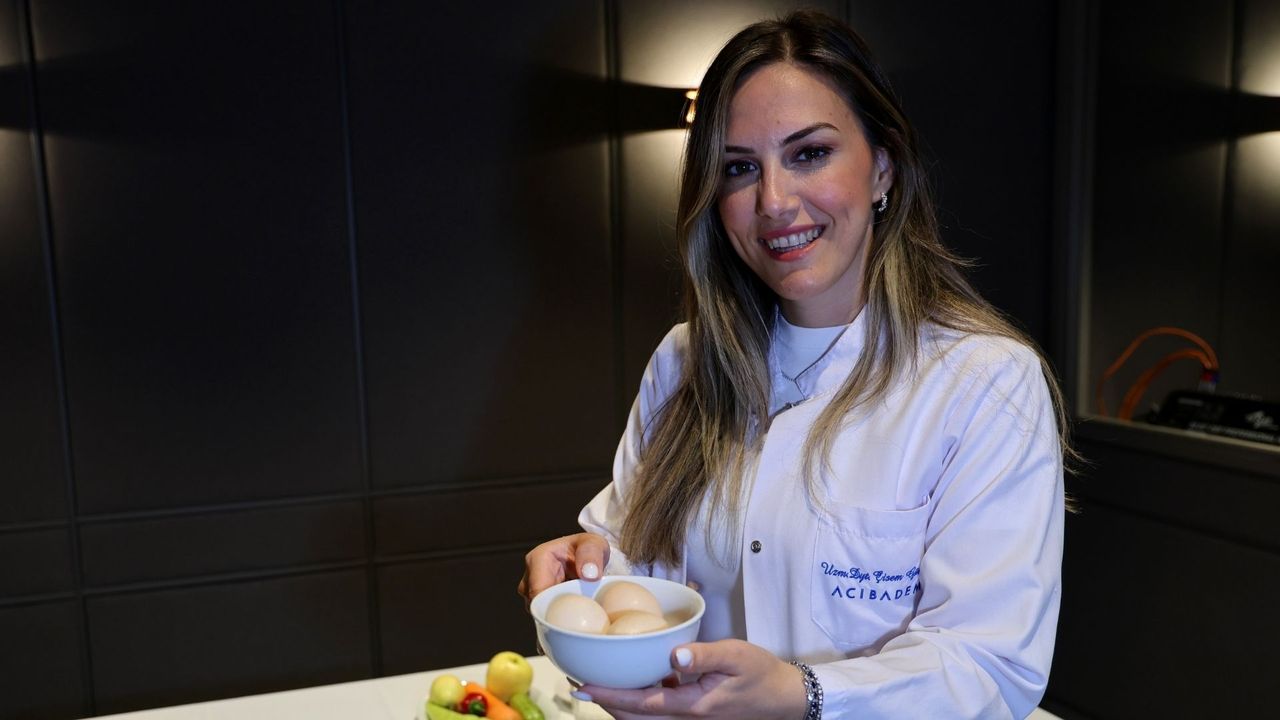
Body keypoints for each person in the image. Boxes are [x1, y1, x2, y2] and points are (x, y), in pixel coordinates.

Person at [518, 10, 1067, 720]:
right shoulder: (684, 361)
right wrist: (584, 572)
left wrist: (802, 695)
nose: (773, 202)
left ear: (883, 167)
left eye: (809, 153)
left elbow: (991, 666)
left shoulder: (985, 383)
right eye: (739, 168)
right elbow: (630, 569)